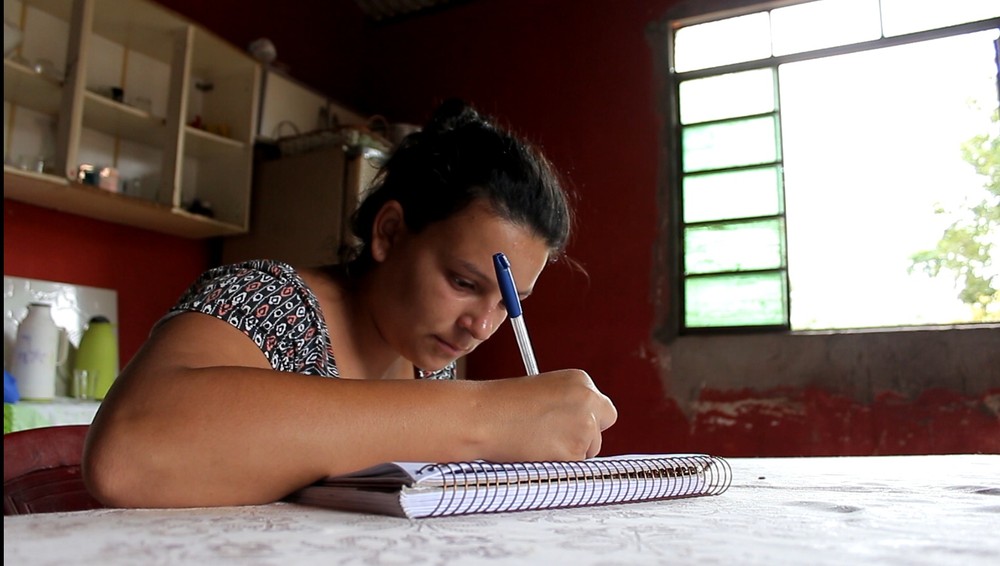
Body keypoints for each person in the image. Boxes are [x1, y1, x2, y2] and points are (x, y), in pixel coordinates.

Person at [83, 99, 618, 508]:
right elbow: (128, 455)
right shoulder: (266, 301)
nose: (480, 324)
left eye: (509, 303)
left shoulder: (428, 366)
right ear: (389, 233)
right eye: (461, 281)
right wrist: (486, 414)